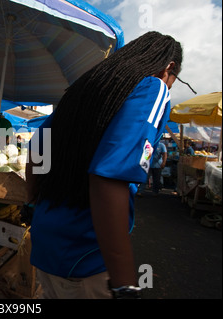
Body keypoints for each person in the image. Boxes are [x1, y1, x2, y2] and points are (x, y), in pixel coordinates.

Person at [26, 31, 185, 299]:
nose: (170, 86)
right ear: (169, 67)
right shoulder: (153, 87)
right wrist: (125, 285)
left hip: (45, 244)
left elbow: (37, 149)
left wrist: (31, 204)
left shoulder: (81, 90)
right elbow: (109, 177)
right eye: (174, 79)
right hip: (86, 255)